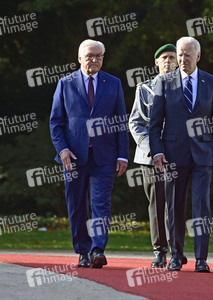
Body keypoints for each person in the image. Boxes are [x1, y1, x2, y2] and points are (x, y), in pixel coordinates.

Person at [148, 36, 213, 272]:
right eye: (179, 54)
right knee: (174, 206)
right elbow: (155, 124)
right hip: (173, 154)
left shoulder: (211, 82)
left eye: (187, 55)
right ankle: (175, 256)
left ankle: (201, 259)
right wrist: (157, 152)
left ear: (198, 56)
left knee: (201, 206)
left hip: (203, 154)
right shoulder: (164, 82)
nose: (182, 59)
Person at [50, 39, 129, 268]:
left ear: (103, 58)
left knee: (101, 204)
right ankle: (83, 250)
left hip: (104, 156)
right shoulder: (65, 84)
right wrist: (62, 150)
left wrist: (123, 154)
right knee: (77, 205)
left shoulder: (113, 83)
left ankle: (97, 250)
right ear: (79, 58)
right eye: (90, 55)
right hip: (73, 157)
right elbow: (56, 122)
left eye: (99, 56)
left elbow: (120, 121)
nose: (94, 59)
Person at [129, 43, 186, 268]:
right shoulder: (144, 88)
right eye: (164, 58)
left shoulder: (186, 89)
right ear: (156, 62)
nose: (169, 62)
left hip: (179, 155)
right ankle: (160, 250)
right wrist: (153, 149)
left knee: (177, 204)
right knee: (158, 203)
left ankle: (177, 250)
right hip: (151, 157)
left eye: (172, 58)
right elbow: (135, 122)